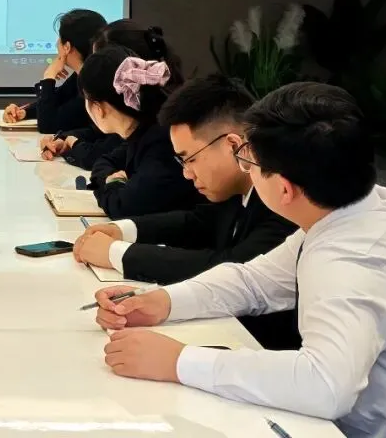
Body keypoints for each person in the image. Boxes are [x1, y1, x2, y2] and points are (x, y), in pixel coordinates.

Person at [94, 82, 386, 438]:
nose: (245, 168)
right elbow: (255, 281)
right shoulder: (352, 209)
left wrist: (180, 361)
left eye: (250, 161)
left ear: (284, 189)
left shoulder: (351, 261)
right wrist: (162, 302)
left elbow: (325, 385)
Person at [72, 74, 298, 348]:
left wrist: (116, 253)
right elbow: (199, 222)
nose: (187, 173)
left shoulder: (284, 200)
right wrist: (121, 230)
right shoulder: (237, 189)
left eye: (189, 159)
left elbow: (236, 268)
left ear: (233, 145)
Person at [77, 45, 201, 219]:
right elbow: (104, 161)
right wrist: (113, 182)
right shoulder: (141, 131)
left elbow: (122, 207)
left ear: (99, 108)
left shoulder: (161, 141)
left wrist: (112, 183)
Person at [42, 21, 184, 169]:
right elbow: (97, 135)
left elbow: (99, 155)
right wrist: (64, 137)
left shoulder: (150, 128)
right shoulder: (141, 110)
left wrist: (74, 144)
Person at [2, 9, 107, 134]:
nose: (57, 43)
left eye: (59, 38)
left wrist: (49, 77)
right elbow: (58, 100)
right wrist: (23, 112)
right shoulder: (83, 74)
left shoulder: (93, 85)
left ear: (67, 47)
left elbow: (48, 125)